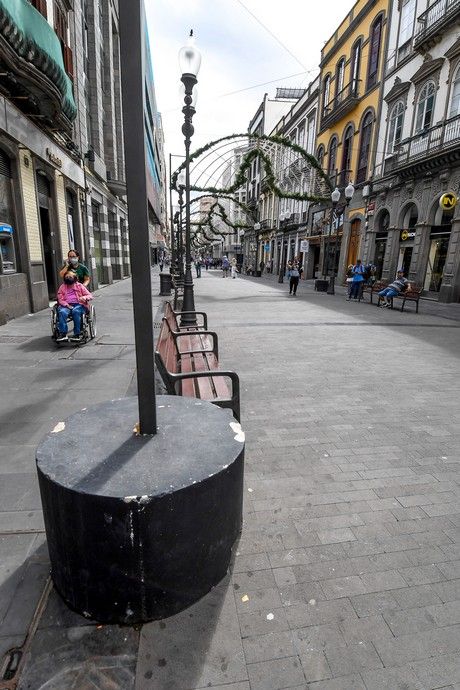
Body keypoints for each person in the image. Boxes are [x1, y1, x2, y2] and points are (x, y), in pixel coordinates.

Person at [56, 270, 93, 341]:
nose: (68, 278)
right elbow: (60, 299)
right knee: (62, 312)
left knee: (76, 311)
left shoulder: (79, 286)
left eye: (70, 276)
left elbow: (90, 295)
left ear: (74, 277)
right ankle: (63, 334)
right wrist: (67, 305)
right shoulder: (62, 287)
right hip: (66, 305)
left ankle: (77, 333)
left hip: (79, 304)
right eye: (66, 277)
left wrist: (84, 297)